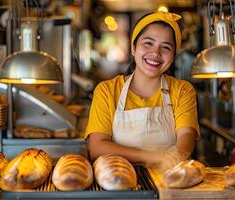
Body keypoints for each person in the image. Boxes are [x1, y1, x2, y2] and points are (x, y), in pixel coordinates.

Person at [85, 11, 199, 171]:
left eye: (165, 47)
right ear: (133, 48)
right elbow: (97, 148)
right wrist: (153, 156)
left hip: (168, 180)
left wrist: (178, 154)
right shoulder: (107, 91)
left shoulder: (182, 90)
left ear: (173, 56)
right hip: (116, 182)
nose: (156, 53)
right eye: (148, 43)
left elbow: (187, 136)